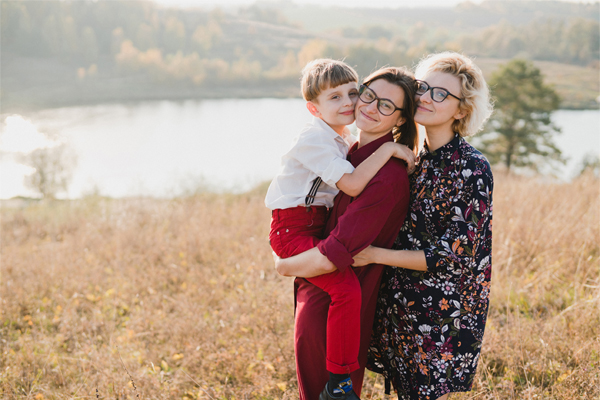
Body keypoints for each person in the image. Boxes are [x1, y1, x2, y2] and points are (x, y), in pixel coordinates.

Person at [353, 52, 494, 400]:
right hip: (398, 304)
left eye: (441, 94)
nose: (425, 97)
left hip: (442, 313)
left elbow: (452, 257)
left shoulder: (472, 168)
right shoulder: (413, 156)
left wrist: (374, 255)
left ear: (461, 110)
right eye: (422, 87)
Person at [274, 66, 419, 400]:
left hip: (330, 311)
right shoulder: (349, 152)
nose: (368, 106)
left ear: (399, 120)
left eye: (386, 105)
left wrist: (284, 265)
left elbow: (336, 251)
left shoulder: (384, 176)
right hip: (318, 298)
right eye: (368, 95)